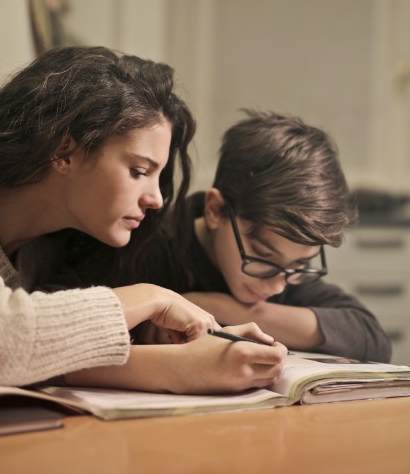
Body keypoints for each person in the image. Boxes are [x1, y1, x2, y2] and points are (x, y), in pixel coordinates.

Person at [0, 47, 287, 393]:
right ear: (64, 150)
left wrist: (178, 355)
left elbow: (25, 351)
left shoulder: (44, 250)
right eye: (139, 171)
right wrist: (151, 300)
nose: (156, 199)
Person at [53, 109, 391, 363]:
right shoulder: (141, 241)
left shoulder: (286, 272)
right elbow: (50, 322)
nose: (277, 286)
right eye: (263, 257)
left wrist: (228, 309)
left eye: (301, 265)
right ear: (215, 210)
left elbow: (371, 338)